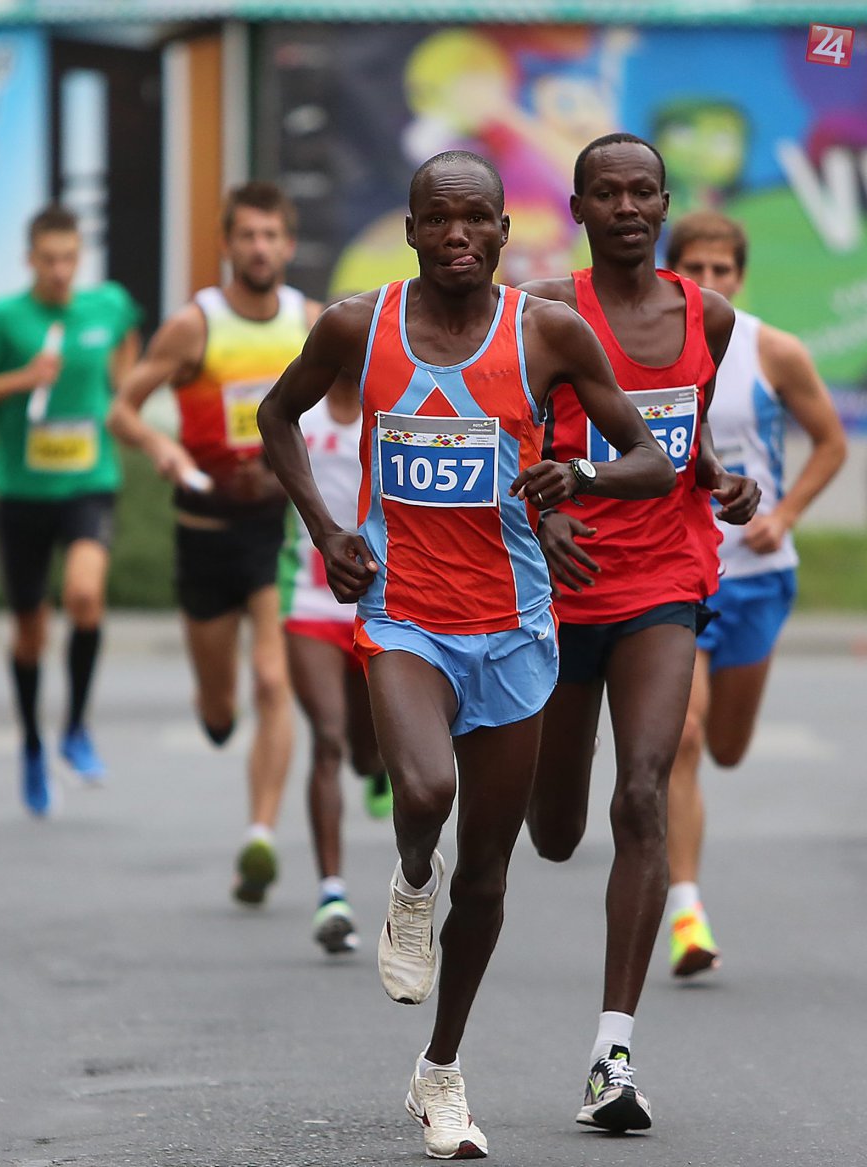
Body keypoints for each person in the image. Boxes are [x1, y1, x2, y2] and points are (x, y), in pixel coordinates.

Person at [258, 149, 673, 1160]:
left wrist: (576, 479)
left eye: (476, 219)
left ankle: (440, 1070)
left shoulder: (546, 333)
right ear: (409, 230)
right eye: (438, 219)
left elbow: (649, 458)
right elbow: (275, 416)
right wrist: (325, 529)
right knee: (426, 790)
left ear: (503, 230)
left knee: (487, 874)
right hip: (403, 613)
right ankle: (411, 876)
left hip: (516, 628)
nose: (457, 237)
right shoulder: (358, 326)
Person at [520, 133, 760, 1133]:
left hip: (666, 576)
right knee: (554, 832)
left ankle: (609, 1055)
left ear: (664, 204)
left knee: (642, 791)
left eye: (642, 192)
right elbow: (506, 435)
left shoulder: (706, 315)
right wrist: (541, 512)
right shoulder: (546, 314)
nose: (626, 207)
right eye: (606, 193)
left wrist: (722, 481)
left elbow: (680, 435)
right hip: (564, 584)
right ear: (578, 209)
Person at [108, 182, 321, 904]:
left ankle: (260, 836)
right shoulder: (194, 325)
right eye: (247, 235)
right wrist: (162, 447)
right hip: (203, 529)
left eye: (271, 235)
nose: (259, 248)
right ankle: (213, 706)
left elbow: (346, 410)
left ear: (288, 246)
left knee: (273, 681)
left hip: (276, 530)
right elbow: (122, 412)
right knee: (223, 708)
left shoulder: (309, 324)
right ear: (227, 244)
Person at [663, 211, 846, 976]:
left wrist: (786, 514)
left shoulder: (774, 350)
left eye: (722, 270)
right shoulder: (648, 348)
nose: (708, 282)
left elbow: (831, 442)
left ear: (740, 276)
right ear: (672, 271)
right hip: (678, 572)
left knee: (727, 748)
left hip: (757, 575)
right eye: (694, 268)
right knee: (684, 737)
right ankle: (687, 913)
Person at [0, 205, 141, 817]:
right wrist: (22, 378)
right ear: (30, 259)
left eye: (69, 259)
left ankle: (75, 729)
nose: (60, 270)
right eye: (49, 259)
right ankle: (32, 745)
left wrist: (122, 390)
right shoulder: (4, 318)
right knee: (30, 631)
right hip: (22, 492)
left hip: (89, 481)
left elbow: (128, 332)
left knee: (84, 595)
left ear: (80, 258)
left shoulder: (105, 305)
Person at [278, 370, 391, 955]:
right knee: (327, 738)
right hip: (310, 602)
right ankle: (332, 893)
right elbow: (271, 467)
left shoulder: (391, 409)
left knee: (368, 752)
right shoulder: (301, 417)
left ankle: (377, 768)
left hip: (378, 602)